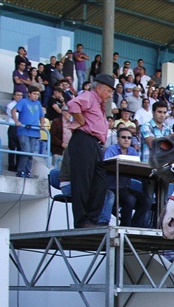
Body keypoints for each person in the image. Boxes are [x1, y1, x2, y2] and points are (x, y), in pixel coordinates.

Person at [65, 73, 115, 228]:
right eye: (108, 91)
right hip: (84, 140)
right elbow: (73, 104)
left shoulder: (98, 104)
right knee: (83, 181)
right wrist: (81, 121)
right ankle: (81, 221)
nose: (109, 95)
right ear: (99, 88)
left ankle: (92, 219)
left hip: (94, 144)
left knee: (100, 182)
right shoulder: (89, 96)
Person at [101, 127, 150, 227]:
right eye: (123, 137)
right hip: (111, 187)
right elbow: (106, 167)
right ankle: (125, 226)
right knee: (130, 199)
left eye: (129, 137)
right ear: (118, 138)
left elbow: (137, 168)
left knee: (147, 200)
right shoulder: (111, 150)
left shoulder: (133, 151)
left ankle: (135, 226)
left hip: (125, 187)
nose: (126, 140)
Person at [11, 85, 45, 178]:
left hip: (34, 131)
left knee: (30, 153)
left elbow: (42, 115)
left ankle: (28, 171)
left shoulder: (38, 104)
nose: (36, 96)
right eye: (34, 94)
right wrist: (16, 121)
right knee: (25, 151)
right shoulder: (23, 101)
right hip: (24, 130)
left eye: (37, 94)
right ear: (29, 94)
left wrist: (42, 124)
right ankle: (21, 170)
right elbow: (13, 110)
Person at [140, 100, 170, 164]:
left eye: (164, 113)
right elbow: (153, 144)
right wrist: (168, 147)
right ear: (153, 112)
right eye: (159, 112)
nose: (162, 115)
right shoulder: (145, 126)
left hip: (163, 167)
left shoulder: (168, 129)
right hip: (147, 166)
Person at [5, 90, 23, 172]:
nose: (19, 97)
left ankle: (18, 166)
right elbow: (15, 116)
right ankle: (11, 165)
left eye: (21, 95)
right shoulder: (10, 105)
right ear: (14, 96)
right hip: (13, 127)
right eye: (18, 95)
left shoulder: (23, 105)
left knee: (20, 147)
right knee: (12, 147)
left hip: (21, 128)